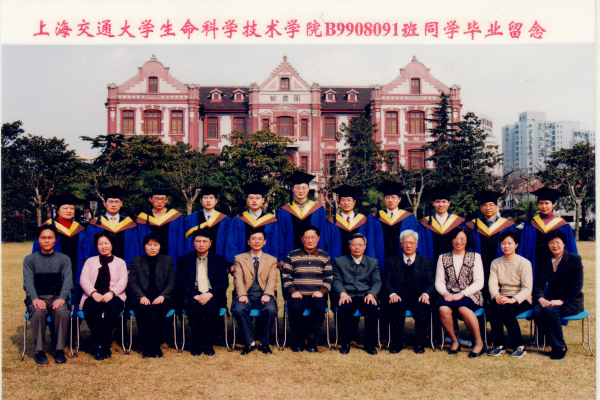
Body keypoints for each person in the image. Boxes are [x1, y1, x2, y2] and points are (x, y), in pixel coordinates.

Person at [23, 225, 73, 364]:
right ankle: (39, 351)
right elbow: (28, 283)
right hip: (38, 299)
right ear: (38, 240)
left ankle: (59, 350)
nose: (46, 240)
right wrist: (35, 299)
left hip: (57, 298)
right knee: (38, 312)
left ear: (55, 240)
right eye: (43, 238)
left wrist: (62, 298)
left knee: (61, 311)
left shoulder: (64, 259)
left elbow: (68, 282)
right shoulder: (30, 260)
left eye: (50, 238)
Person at [531, 230, 584, 360]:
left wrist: (562, 300)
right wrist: (540, 298)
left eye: (558, 242)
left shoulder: (574, 259)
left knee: (550, 310)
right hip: (550, 299)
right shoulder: (544, 260)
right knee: (537, 310)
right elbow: (538, 283)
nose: (555, 245)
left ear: (564, 244)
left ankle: (560, 347)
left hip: (571, 300)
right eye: (551, 242)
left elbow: (577, 285)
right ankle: (546, 339)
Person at [176, 229, 229, 356]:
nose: (201, 244)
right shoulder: (184, 259)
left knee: (212, 308)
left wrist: (209, 294)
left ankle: (208, 344)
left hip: (212, 294)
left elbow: (223, 283)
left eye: (204, 241)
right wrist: (195, 295)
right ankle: (197, 343)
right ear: (193, 243)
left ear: (210, 243)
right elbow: (181, 282)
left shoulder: (219, 259)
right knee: (194, 309)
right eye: (198, 241)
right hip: (192, 295)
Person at [435, 227, 485, 357]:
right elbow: (439, 281)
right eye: (455, 238)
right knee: (443, 309)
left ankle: (479, 342)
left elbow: (479, 282)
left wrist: (462, 294)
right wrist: (445, 293)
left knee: (463, 308)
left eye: (462, 238)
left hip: (470, 294)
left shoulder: (475, 257)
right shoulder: (443, 257)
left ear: (467, 240)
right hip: (449, 294)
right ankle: (454, 341)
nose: (458, 241)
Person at [282, 225, 333, 352]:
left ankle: (312, 342)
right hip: (297, 294)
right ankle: (298, 341)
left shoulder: (324, 256)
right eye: (307, 237)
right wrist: (293, 291)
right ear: (302, 239)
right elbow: (286, 276)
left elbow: (329, 278)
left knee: (319, 308)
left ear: (318, 238)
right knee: (294, 308)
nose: (310, 240)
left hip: (317, 295)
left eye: (313, 237)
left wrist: (321, 292)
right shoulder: (292, 255)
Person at [382, 230, 435, 354]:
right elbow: (386, 280)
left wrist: (425, 294)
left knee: (424, 308)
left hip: (418, 296)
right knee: (395, 307)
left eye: (411, 242)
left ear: (416, 245)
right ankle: (396, 343)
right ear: (401, 245)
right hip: (399, 296)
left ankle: (419, 343)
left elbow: (431, 283)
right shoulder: (392, 261)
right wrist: (392, 294)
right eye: (405, 242)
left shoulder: (426, 262)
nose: (408, 245)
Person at [78, 231, 128, 360]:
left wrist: (112, 293)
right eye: (100, 244)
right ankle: (100, 343)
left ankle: (102, 343)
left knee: (112, 309)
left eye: (106, 243)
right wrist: (93, 293)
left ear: (112, 245)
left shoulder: (120, 262)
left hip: (114, 296)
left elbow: (123, 281)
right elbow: (83, 280)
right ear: (96, 246)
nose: (103, 246)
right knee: (91, 309)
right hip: (93, 295)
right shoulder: (90, 262)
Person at [128, 232, 176, 358]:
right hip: (142, 297)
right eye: (149, 245)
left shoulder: (168, 261)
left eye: (156, 245)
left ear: (160, 246)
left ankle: (155, 345)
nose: (152, 248)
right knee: (143, 311)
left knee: (157, 310)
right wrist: (141, 297)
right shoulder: (136, 261)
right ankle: (147, 346)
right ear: (144, 246)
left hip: (161, 297)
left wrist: (162, 296)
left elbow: (171, 282)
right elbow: (133, 282)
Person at [231, 230, 279, 355]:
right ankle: (249, 342)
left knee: (270, 310)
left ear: (264, 242)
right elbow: (238, 279)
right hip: (246, 295)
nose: (256, 241)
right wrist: (242, 294)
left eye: (259, 239)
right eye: (253, 239)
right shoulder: (239, 258)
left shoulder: (272, 260)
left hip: (264, 294)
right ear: (248, 242)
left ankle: (264, 342)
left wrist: (267, 294)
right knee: (239, 310)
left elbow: (272, 279)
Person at [333, 233, 381, 355]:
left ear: (365, 246)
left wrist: (372, 294)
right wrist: (342, 293)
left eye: (360, 245)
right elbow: (337, 280)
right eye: (354, 245)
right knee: (344, 307)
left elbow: (377, 282)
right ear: (349, 246)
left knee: (372, 309)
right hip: (348, 295)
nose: (357, 247)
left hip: (365, 295)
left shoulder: (373, 262)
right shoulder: (339, 261)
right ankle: (345, 343)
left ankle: (369, 344)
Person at [487, 231, 533, 358]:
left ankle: (519, 346)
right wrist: (497, 296)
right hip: (502, 297)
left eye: (509, 243)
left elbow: (527, 288)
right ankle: (499, 344)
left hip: (521, 298)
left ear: (516, 244)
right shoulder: (496, 263)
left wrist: (513, 299)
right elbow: (492, 284)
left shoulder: (524, 263)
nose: (506, 246)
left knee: (506, 309)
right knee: (493, 308)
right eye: (503, 243)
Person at [33, 193, 88, 290]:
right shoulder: (46, 228)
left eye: (72, 208)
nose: (69, 211)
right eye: (65, 208)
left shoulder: (79, 229)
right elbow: (37, 251)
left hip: (77, 269)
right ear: (58, 211)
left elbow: (86, 251)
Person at [519, 187, 578, 277]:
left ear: (553, 205)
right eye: (541, 203)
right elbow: (523, 248)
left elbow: (570, 248)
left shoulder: (563, 225)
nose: (544, 206)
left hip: (556, 265)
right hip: (535, 265)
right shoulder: (530, 224)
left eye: (547, 203)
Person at [276, 171, 328, 268]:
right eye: (297, 188)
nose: (301, 191)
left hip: (314, 257)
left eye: (304, 188)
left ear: (308, 188)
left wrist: (321, 256)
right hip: (290, 256)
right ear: (292, 189)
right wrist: (281, 259)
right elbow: (280, 236)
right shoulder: (283, 211)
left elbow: (322, 233)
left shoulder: (318, 210)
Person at [225, 181, 281, 266]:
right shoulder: (238, 219)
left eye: (257, 198)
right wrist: (233, 263)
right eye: (251, 198)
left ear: (263, 200)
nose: (254, 201)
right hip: (242, 264)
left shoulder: (271, 221)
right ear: (246, 200)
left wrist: (272, 263)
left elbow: (275, 245)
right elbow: (231, 243)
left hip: (265, 264)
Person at [366, 181, 418, 272]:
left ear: (399, 199)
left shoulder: (409, 218)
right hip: (380, 262)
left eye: (393, 197)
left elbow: (414, 242)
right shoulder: (373, 218)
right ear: (384, 200)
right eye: (387, 197)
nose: (390, 200)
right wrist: (372, 263)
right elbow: (370, 242)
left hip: (403, 262)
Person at [86, 186, 140, 267]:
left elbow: (133, 249)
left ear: (121, 204)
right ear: (104, 203)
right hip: (100, 267)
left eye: (116, 202)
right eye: (110, 201)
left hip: (124, 268)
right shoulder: (95, 223)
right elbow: (91, 248)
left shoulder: (129, 224)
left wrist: (130, 267)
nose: (113, 205)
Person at [417, 186, 467, 266]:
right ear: (433, 203)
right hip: (431, 264)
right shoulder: (424, 223)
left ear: (449, 203)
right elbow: (421, 247)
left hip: (455, 264)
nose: (441, 205)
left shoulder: (458, 222)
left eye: (444, 202)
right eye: (437, 202)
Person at [136, 188, 185, 267]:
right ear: (150, 199)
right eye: (156, 199)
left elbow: (180, 242)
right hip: (148, 256)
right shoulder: (143, 217)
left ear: (166, 200)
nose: (159, 202)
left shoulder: (176, 217)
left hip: (170, 255)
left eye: (162, 199)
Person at [324, 185, 369, 261]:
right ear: (339, 202)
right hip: (337, 263)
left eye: (349, 200)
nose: (346, 203)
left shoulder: (363, 221)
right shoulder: (331, 222)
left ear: (354, 202)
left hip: (360, 263)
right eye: (343, 200)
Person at [184, 186, 231, 256]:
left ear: (216, 200)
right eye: (205, 198)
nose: (208, 201)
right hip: (196, 258)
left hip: (218, 258)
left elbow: (228, 243)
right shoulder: (191, 218)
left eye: (211, 198)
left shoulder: (225, 220)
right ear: (200, 200)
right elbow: (188, 243)